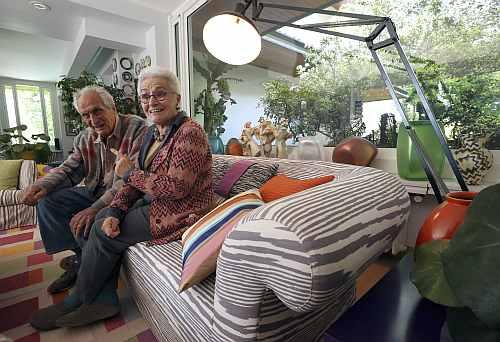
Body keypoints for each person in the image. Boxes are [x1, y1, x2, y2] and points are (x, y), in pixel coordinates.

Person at [29, 67, 214, 330]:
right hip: (156, 202)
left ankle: (82, 297)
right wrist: (115, 211)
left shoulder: (189, 133)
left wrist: (129, 173)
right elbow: (131, 181)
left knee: (104, 233)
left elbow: (176, 189)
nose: (151, 102)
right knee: (104, 219)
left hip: (182, 210)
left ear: (177, 99)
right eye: (145, 96)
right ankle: (101, 297)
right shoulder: (153, 133)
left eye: (160, 94)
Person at [21, 86, 146, 294]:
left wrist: (94, 209)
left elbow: (129, 182)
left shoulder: (138, 130)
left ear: (112, 107)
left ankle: (87, 268)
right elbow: (69, 170)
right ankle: (81, 256)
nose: (92, 119)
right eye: (85, 115)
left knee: (91, 216)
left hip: (124, 198)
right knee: (48, 201)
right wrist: (40, 185)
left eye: (97, 111)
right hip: (93, 191)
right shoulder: (84, 138)